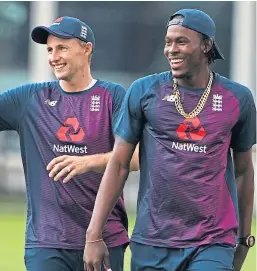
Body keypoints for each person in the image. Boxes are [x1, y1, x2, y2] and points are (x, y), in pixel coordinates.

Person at [84, 9, 256, 271]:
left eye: (181, 41)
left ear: (206, 46)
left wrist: (244, 239)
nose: (171, 49)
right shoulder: (144, 91)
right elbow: (119, 165)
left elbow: (243, 171)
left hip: (212, 241)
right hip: (152, 241)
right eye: (168, 41)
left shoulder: (238, 98)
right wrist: (93, 234)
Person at [0, 16, 139, 271]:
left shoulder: (113, 96)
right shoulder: (30, 98)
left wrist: (88, 162)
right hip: (46, 243)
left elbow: (138, 156)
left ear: (87, 49)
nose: (54, 57)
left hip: (104, 240)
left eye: (62, 47)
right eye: (50, 50)